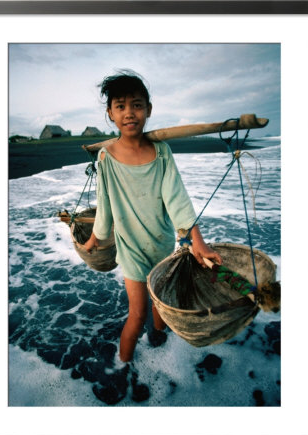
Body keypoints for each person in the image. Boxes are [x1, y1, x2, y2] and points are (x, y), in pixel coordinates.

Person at [77, 70, 222, 363]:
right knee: (138, 312)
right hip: (130, 248)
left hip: (160, 242)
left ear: (149, 109)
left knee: (161, 303)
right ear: (110, 114)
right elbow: (104, 208)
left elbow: (177, 199)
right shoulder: (106, 158)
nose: (129, 113)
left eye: (137, 104)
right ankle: (125, 367)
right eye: (121, 106)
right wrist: (94, 239)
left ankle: (159, 346)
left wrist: (199, 243)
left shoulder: (161, 151)